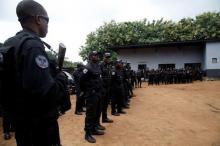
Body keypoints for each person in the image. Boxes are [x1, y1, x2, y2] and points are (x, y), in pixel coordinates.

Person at [1, 1, 69, 145]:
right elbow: (46, 93)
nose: (47, 25)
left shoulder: (11, 43)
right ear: (38, 19)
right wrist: (61, 78)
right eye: (47, 20)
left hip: (21, 123)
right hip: (40, 128)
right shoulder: (33, 46)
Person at [79, 51, 105, 143]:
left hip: (98, 93)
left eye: (98, 55)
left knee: (97, 112)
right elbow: (81, 81)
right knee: (90, 114)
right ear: (90, 57)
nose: (97, 56)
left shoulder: (97, 66)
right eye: (95, 55)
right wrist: (86, 91)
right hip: (91, 94)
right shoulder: (87, 67)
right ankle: (88, 134)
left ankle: (94, 129)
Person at [100, 52, 113, 123]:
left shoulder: (109, 66)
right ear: (104, 57)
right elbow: (99, 78)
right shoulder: (101, 65)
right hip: (103, 88)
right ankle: (98, 121)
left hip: (108, 88)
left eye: (109, 57)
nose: (108, 58)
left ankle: (104, 118)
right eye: (107, 57)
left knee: (106, 104)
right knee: (101, 105)